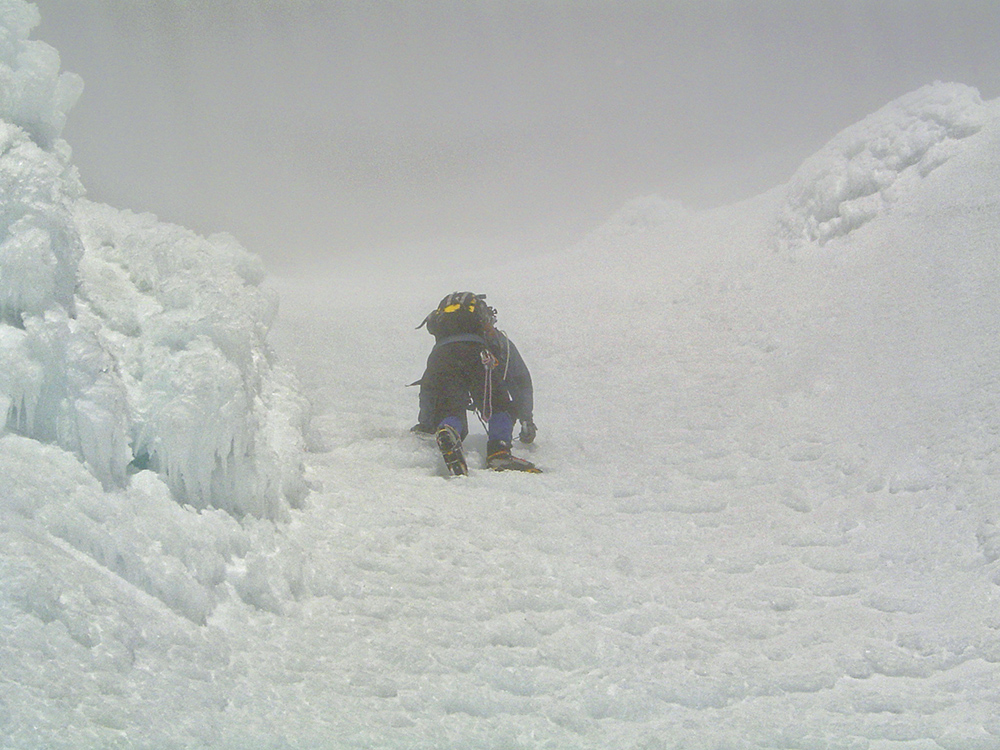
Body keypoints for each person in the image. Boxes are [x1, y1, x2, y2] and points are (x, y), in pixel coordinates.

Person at [411, 292, 539, 475]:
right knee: (499, 405)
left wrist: (426, 423)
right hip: (477, 355)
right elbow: (520, 379)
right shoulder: (493, 336)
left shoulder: (442, 342)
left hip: (440, 358)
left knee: (451, 408)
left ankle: (449, 430)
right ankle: (499, 451)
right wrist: (526, 418)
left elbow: (429, 387)